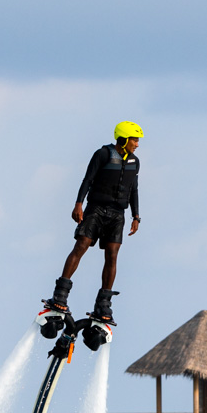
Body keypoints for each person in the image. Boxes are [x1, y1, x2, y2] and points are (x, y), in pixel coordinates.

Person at [43, 122, 142, 325]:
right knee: (81, 246)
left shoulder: (135, 161)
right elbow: (87, 179)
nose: (137, 144)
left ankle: (103, 304)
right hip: (95, 208)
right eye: (134, 139)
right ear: (123, 139)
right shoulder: (103, 154)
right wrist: (78, 204)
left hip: (117, 214)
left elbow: (133, 189)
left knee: (112, 256)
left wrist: (136, 216)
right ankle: (60, 294)